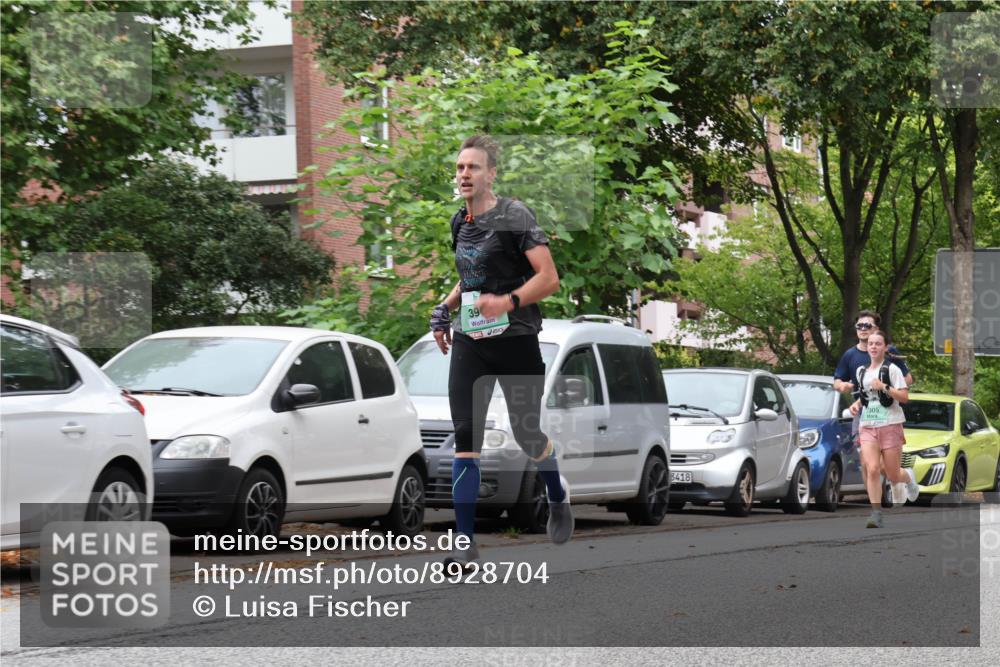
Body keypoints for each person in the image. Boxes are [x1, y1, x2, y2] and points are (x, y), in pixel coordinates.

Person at [429, 135, 572, 569]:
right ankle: (465, 544)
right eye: (459, 168)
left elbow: (549, 278)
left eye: (473, 167)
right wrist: (444, 308)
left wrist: (507, 302)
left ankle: (556, 493)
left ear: (491, 174)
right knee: (466, 441)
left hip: (516, 340)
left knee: (527, 433)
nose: (464, 174)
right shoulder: (459, 222)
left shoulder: (515, 216)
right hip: (471, 341)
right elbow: (471, 277)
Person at [833, 310, 914, 504]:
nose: (862, 329)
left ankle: (901, 479)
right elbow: (837, 380)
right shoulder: (850, 355)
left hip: (888, 415)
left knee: (888, 469)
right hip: (863, 415)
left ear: (876, 329)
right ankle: (873, 507)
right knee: (869, 466)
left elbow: (908, 380)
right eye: (859, 326)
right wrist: (842, 386)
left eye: (867, 326)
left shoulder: (889, 351)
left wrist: (885, 388)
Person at [848, 330, 919, 528]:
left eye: (878, 343)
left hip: (890, 425)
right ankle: (876, 513)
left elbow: (904, 397)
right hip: (868, 426)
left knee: (892, 473)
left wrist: (884, 387)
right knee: (871, 469)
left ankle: (908, 478)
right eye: (870, 343)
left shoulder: (893, 370)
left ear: (885, 347)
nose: (873, 347)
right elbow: (866, 397)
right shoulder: (861, 371)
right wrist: (856, 405)